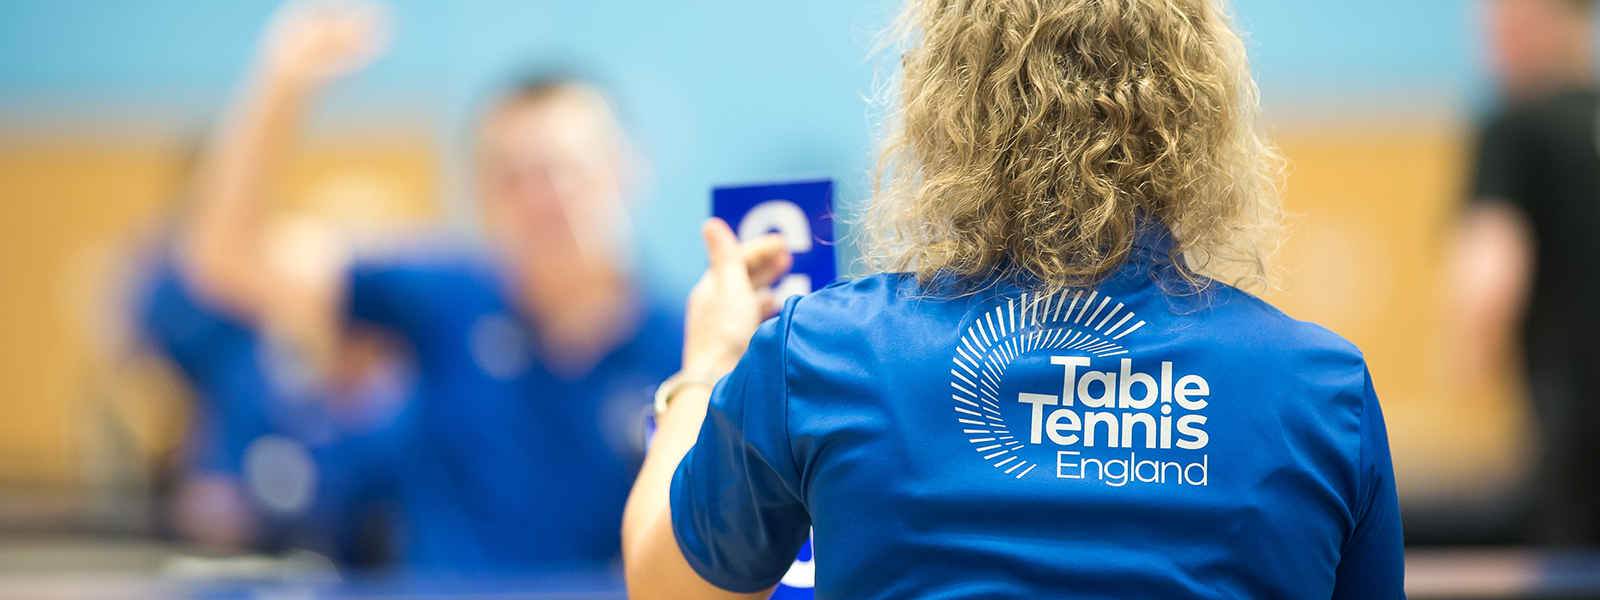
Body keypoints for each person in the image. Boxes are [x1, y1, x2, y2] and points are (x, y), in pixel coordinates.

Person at [622, 0, 1405, 597]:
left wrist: (705, 371)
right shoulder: (1321, 389)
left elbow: (665, 585)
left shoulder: (823, 353)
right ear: (1198, 110)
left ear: (945, 104)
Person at [180, 1, 681, 570]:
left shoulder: (692, 343)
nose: (540, 195)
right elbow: (229, 258)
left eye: (562, 166)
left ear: (626, 167)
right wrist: (283, 79)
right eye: (510, 173)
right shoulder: (446, 300)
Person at [1451, 0, 1600, 544]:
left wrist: (1466, 352)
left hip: (1576, 445)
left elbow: (1491, 267)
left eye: (1502, 25)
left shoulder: (1516, 130)